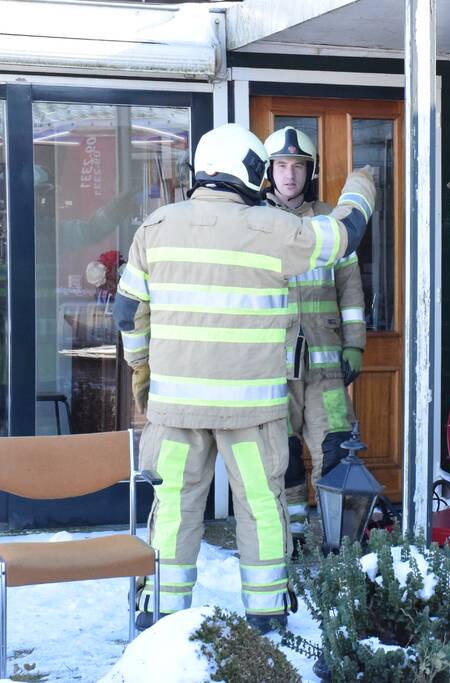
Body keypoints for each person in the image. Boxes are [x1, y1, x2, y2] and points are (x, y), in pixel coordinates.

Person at [113, 123, 376, 633]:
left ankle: (162, 621)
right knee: (260, 506)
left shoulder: (156, 226)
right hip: (252, 413)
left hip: (175, 412)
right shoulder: (271, 229)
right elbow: (345, 236)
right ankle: (267, 615)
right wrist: (362, 184)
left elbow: (128, 316)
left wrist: (143, 377)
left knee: (175, 509)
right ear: (250, 171)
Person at [262, 126, 368, 550]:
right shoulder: (256, 223)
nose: (290, 175)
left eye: (299, 166)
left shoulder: (332, 222)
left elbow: (351, 289)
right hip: (272, 366)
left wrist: (355, 344)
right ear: (270, 171)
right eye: (283, 166)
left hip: (326, 367)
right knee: (281, 455)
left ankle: (336, 539)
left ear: (311, 172)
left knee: (336, 449)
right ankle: (294, 536)